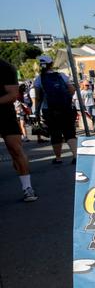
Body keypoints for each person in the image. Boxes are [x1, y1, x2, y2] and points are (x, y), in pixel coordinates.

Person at [1, 59, 37, 202]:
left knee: (15, 149)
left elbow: (13, 94)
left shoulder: (5, 67)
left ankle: (27, 188)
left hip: (4, 115)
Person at [34, 55, 77, 164]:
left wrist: (36, 112)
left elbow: (38, 98)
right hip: (66, 108)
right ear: (51, 64)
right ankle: (75, 156)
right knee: (70, 133)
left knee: (55, 134)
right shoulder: (61, 75)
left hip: (49, 110)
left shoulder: (39, 79)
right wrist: (66, 100)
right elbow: (72, 90)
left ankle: (58, 158)